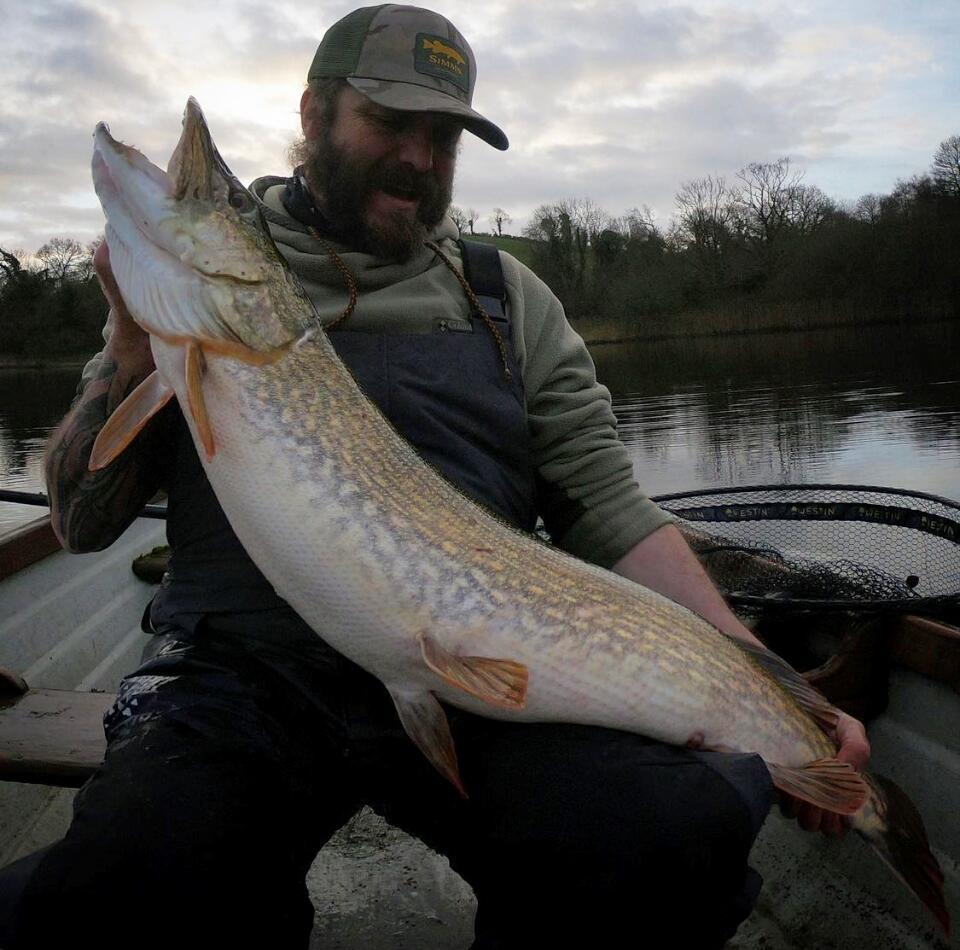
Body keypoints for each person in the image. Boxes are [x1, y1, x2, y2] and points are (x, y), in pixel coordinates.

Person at [0, 5, 869, 948]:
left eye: (443, 135)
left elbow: (614, 514)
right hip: (237, 678)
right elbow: (83, 523)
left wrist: (778, 684)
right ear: (315, 111)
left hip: (475, 678)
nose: (419, 157)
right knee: (138, 875)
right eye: (389, 123)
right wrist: (133, 352)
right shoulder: (195, 300)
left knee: (666, 833)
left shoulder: (507, 300)